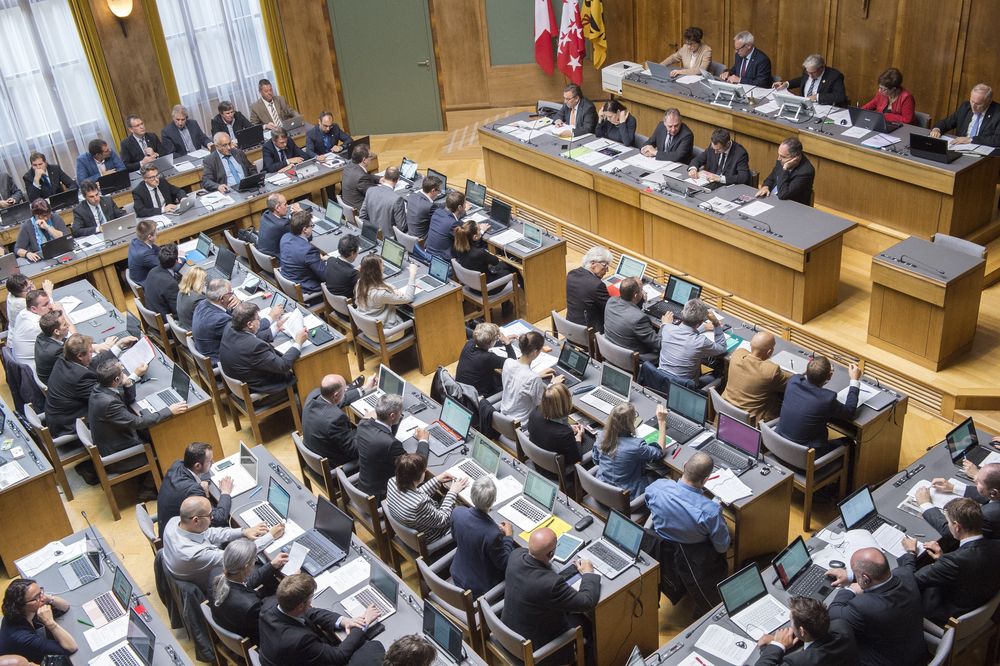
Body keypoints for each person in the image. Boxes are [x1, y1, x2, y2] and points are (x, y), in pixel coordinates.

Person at [646, 452, 731, 615]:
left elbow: (650, 505)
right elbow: (722, 547)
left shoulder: (657, 487)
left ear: (684, 466)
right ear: (706, 479)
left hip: (662, 548)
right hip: (695, 558)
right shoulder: (710, 512)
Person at [502, 527, 600, 661]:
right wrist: (588, 573)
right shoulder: (551, 584)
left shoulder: (515, 556)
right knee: (589, 626)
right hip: (538, 648)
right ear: (551, 554)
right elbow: (587, 601)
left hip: (509, 633)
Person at [899, 498, 1000, 626]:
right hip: (978, 599)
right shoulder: (996, 545)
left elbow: (910, 582)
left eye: (948, 522)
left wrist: (910, 553)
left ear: (957, 527)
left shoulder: (954, 561)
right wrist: (942, 558)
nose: (948, 526)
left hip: (944, 614)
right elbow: (971, 564)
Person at [825, 547, 926, 666]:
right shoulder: (906, 574)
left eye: (855, 573)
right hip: (918, 651)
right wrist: (853, 577)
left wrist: (850, 588)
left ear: (866, 579)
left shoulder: (863, 606)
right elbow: (908, 564)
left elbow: (833, 613)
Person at [257, 573, 384, 666]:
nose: (311, 603)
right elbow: (338, 657)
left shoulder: (269, 606)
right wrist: (363, 623)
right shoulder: (300, 640)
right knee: (372, 648)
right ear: (301, 605)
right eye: (311, 598)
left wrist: (343, 620)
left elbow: (309, 612)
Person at [89, 359, 186, 475]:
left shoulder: (99, 389)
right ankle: (154, 485)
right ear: (116, 379)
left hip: (115, 440)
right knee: (165, 442)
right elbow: (138, 422)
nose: (124, 373)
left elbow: (126, 401)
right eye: (122, 372)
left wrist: (128, 383)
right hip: (121, 456)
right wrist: (169, 410)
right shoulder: (108, 402)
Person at [162, 496, 274, 593]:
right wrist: (271, 536)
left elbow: (208, 533)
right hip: (213, 586)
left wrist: (243, 532)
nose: (213, 518)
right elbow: (236, 558)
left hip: (190, 569)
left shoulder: (174, 522)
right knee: (262, 567)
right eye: (210, 515)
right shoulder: (195, 554)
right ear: (196, 520)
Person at [45, 333, 134, 438]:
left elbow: (91, 363)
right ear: (80, 356)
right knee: (128, 415)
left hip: (62, 417)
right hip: (70, 427)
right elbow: (110, 398)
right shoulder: (79, 378)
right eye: (91, 352)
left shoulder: (65, 358)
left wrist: (119, 346)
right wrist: (130, 380)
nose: (92, 355)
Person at [778, 355, 861, 456]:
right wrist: (854, 380)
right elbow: (849, 412)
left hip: (780, 446)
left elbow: (800, 376)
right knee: (850, 442)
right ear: (830, 376)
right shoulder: (826, 399)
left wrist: (813, 368)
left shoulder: (793, 382)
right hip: (806, 456)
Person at [211, 538, 287, 646]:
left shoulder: (214, 576)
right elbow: (270, 627)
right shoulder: (252, 605)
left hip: (229, 623)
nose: (255, 561)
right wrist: (289, 585)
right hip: (259, 639)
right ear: (246, 567)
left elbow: (246, 583)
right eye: (254, 560)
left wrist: (272, 565)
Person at [451, 476, 517, 598]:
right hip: (480, 588)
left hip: (458, 572)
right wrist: (508, 536)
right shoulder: (492, 534)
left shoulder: (457, 512)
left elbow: (456, 537)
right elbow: (504, 563)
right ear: (494, 500)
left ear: (471, 495)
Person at [219, 302, 306, 395]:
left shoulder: (230, 328)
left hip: (242, 377)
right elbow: (283, 366)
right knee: (303, 375)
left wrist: (276, 328)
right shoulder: (255, 347)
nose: (260, 320)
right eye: (257, 318)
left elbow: (250, 339)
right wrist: (298, 343)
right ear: (250, 324)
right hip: (261, 386)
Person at [356, 394, 429, 500]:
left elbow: (380, 427)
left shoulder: (363, 424)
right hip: (381, 496)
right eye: (400, 413)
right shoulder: (391, 444)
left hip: (363, 486)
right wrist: (423, 440)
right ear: (392, 416)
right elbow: (416, 465)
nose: (401, 414)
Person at [192, 279, 282, 362]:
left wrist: (239, 306)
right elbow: (248, 336)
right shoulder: (220, 320)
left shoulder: (203, 304)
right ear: (222, 298)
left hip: (208, 350)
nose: (232, 295)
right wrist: (271, 318)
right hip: (220, 361)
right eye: (231, 293)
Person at [386, 453, 468, 542]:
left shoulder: (392, 482)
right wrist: (453, 491)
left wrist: (437, 480)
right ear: (419, 476)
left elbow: (415, 495)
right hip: (436, 535)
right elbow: (443, 520)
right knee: (468, 512)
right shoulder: (419, 504)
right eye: (424, 471)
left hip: (411, 528)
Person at [301, 373, 377, 469]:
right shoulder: (335, 419)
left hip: (317, 453)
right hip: (337, 465)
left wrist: (365, 388)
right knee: (379, 444)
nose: (345, 392)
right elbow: (355, 451)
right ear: (336, 395)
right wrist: (367, 421)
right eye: (344, 390)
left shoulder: (313, 397)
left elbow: (340, 399)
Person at [754, 597, 858, 666]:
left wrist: (777, 645)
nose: (790, 625)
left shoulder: (797, 662)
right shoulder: (842, 626)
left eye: (791, 622)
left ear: (802, 631)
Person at [593, 403, 667, 497]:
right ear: (630, 422)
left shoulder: (600, 436)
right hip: (625, 496)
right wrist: (661, 421)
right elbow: (659, 452)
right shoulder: (636, 446)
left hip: (600, 490)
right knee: (664, 478)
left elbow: (596, 460)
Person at [157, 441, 233, 531]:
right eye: (209, 461)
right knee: (228, 526)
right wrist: (225, 492)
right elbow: (218, 518)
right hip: (178, 537)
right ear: (197, 466)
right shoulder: (193, 490)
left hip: (166, 525)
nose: (213, 462)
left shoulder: (177, 465)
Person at [0, 579, 77, 663]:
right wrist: (51, 623)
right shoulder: (23, 638)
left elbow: (65, 607)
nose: (42, 598)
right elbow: (71, 648)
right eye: (36, 597)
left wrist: (48, 598)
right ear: (22, 605)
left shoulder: (27, 610)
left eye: (41, 592)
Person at [921, 461, 1000, 540]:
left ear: (993, 493)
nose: (974, 480)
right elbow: (991, 495)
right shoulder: (995, 493)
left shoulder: (986, 515)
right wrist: (953, 488)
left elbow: (956, 532)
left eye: (979, 482)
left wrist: (925, 504)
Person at [658, 298, 726, 387]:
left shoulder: (666, 328)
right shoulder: (701, 342)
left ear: (682, 313)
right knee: (718, 375)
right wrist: (716, 323)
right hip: (685, 389)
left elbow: (685, 332)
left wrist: (704, 327)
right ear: (701, 322)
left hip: (660, 381)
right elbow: (722, 347)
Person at [723, 331, 787, 423]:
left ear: (750, 345)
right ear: (770, 351)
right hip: (750, 422)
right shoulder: (771, 371)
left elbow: (745, 353)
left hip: (725, 412)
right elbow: (791, 382)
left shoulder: (737, 355)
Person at [354, 254, 417, 341]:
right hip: (386, 334)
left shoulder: (360, 283)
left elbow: (381, 285)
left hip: (368, 329)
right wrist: (412, 275)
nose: (384, 267)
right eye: (382, 265)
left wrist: (392, 289)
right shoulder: (381, 294)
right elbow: (408, 298)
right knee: (416, 320)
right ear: (376, 271)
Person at [528, 382, 585, 474]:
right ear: (565, 403)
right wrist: (578, 438)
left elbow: (549, 427)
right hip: (554, 472)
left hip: (537, 462)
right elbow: (576, 458)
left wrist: (568, 427)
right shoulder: (565, 434)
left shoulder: (535, 413)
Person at [501, 331, 557, 422]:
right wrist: (553, 384)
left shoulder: (508, 362)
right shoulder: (533, 378)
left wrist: (537, 375)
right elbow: (542, 404)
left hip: (504, 417)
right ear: (535, 352)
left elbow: (519, 378)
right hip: (522, 423)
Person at [10, 288, 74, 367]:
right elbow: (74, 337)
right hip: (36, 371)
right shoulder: (38, 325)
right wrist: (62, 312)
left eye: (49, 302)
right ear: (34, 308)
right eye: (45, 305)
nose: (50, 306)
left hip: (26, 362)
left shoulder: (23, 313)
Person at [604, 277, 661, 362]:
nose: (643, 292)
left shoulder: (611, 301)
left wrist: (640, 300)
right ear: (635, 295)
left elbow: (629, 308)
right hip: (633, 359)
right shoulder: (639, 319)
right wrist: (664, 325)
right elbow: (658, 344)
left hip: (611, 351)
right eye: (641, 290)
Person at [456, 322, 515, 398]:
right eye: (496, 339)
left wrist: (503, 341)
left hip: (464, 391)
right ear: (490, 342)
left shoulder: (469, 344)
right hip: (480, 397)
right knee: (512, 383)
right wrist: (507, 343)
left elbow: (485, 343)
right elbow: (513, 364)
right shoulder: (487, 358)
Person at [931, 83, 1000, 147]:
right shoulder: (966, 107)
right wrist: (937, 129)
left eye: (978, 104)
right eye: (972, 101)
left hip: (983, 151)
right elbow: (947, 122)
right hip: (960, 148)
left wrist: (971, 139)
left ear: (989, 101)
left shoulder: (997, 113)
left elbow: (997, 139)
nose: (973, 106)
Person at [453, 218, 514, 289]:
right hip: (487, 288)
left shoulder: (458, 247)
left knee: (502, 266)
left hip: (471, 285)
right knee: (511, 267)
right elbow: (495, 261)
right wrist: (488, 254)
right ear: (475, 237)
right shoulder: (480, 253)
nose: (481, 230)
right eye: (479, 229)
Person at [756, 137, 815, 206]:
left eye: (783, 157)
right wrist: (766, 186)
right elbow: (771, 178)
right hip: (771, 199)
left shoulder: (806, 172)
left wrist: (785, 169)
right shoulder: (781, 159)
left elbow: (783, 195)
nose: (779, 159)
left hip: (790, 207)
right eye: (779, 155)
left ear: (796, 158)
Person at [565, 246, 612, 332]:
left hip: (570, 328)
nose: (607, 270)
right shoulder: (597, 285)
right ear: (593, 263)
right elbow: (610, 308)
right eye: (605, 265)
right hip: (588, 334)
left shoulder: (571, 274)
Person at [279, 210, 326, 294]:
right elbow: (325, 275)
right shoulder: (308, 251)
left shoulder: (285, 237)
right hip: (306, 288)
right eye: (312, 225)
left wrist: (317, 259)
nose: (312, 227)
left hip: (291, 280)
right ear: (305, 229)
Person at [773, 54, 848, 107]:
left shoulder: (834, 76)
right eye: (808, 72)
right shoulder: (808, 71)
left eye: (813, 73)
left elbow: (840, 96)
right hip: (804, 106)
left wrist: (817, 97)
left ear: (821, 68)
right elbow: (802, 80)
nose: (810, 76)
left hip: (821, 108)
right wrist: (786, 84)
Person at [687, 127, 752, 186]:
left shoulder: (740, 153)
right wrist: (693, 169)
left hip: (726, 187)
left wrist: (720, 178)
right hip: (709, 183)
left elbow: (743, 178)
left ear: (728, 144)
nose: (715, 152)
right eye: (713, 148)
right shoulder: (714, 146)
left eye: (718, 150)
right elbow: (698, 159)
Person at [358, 166, 406, 238]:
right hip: (388, 239)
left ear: (384, 177)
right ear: (398, 180)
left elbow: (362, 216)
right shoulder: (397, 199)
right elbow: (401, 228)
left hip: (371, 234)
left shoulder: (370, 191)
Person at [143, 243, 181, 317]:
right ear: (176, 261)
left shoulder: (152, 271)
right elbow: (178, 312)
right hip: (167, 320)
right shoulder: (170, 284)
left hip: (155, 314)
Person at [425, 190, 466, 260]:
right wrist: (481, 231)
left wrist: (463, 212)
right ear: (459, 207)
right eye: (465, 203)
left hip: (427, 253)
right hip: (440, 261)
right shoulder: (453, 224)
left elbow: (451, 218)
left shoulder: (437, 212)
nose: (465, 206)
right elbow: (466, 241)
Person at [257, 193, 300, 257]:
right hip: (277, 259)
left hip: (262, 256)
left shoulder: (265, 215)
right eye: (285, 204)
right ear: (277, 208)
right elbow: (300, 234)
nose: (287, 206)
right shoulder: (282, 225)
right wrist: (300, 212)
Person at [33, 311, 69, 384]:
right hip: (55, 384)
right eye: (65, 324)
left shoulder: (42, 335)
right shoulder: (55, 351)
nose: (68, 325)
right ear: (56, 331)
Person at [341, 144, 380, 211]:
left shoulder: (349, 166)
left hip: (350, 205)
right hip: (360, 211)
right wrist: (388, 186)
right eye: (370, 157)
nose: (371, 158)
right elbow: (375, 195)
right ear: (364, 160)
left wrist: (380, 179)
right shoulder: (361, 177)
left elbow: (365, 176)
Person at [404, 175, 440, 239]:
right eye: (439, 190)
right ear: (433, 191)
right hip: (422, 241)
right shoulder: (429, 207)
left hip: (410, 234)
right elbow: (441, 219)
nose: (439, 193)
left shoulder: (412, 196)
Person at [324, 234, 359, 298]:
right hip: (349, 304)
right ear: (352, 253)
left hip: (334, 301)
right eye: (357, 251)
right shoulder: (352, 273)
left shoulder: (330, 261)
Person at [176, 265, 207, 330]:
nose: (205, 283)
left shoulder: (181, 292)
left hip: (185, 326)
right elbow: (207, 321)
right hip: (194, 333)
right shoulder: (198, 299)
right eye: (203, 280)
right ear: (198, 282)